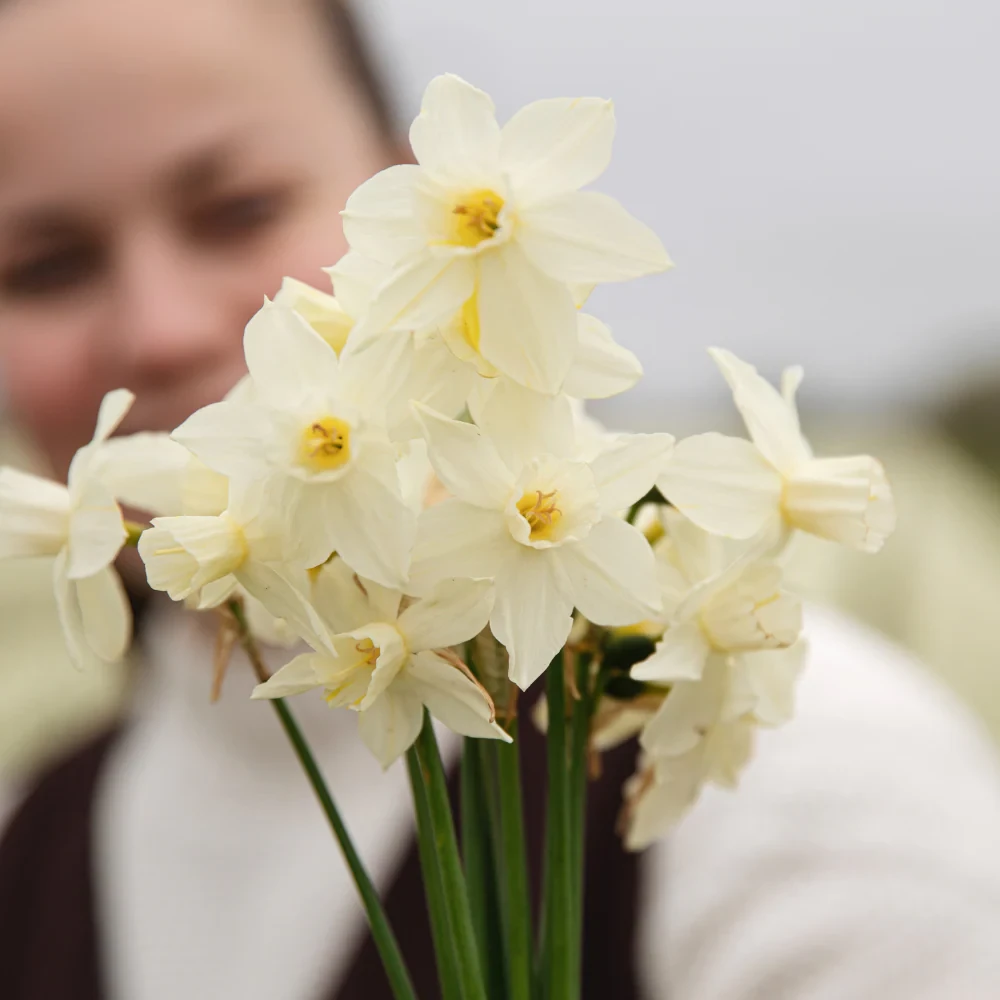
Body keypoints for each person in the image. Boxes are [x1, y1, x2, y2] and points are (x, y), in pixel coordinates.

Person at [1, 1, 1000, 997]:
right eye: (43, 268)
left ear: (404, 204)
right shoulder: (28, 831)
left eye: (239, 209)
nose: (161, 330)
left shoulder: (817, 784)